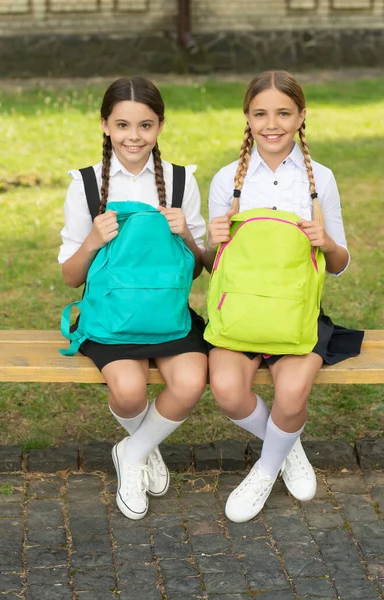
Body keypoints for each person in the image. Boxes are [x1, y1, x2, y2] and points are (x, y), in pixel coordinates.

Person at [202, 70, 364, 523]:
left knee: (292, 393)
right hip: (240, 311)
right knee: (229, 391)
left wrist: (327, 242)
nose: (271, 124)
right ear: (247, 118)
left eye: (283, 113)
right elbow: (214, 265)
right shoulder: (227, 179)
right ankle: (287, 446)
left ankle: (265, 466)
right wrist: (213, 240)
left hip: (295, 313)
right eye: (260, 113)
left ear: (301, 117)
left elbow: (340, 262)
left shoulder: (319, 180)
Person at [58, 77, 208, 520]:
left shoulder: (181, 182)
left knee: (190, 383)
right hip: (111, 319)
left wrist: (187, 237)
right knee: (127, 391)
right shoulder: (86, 185)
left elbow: (196, 268)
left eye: (145, 125)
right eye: (122, 125)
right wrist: (91, 241)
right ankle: (147, 449)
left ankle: (134, 451)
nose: (133, 136)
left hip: (168, 317)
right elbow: (71, 278)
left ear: (160, 126)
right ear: (105, 125)